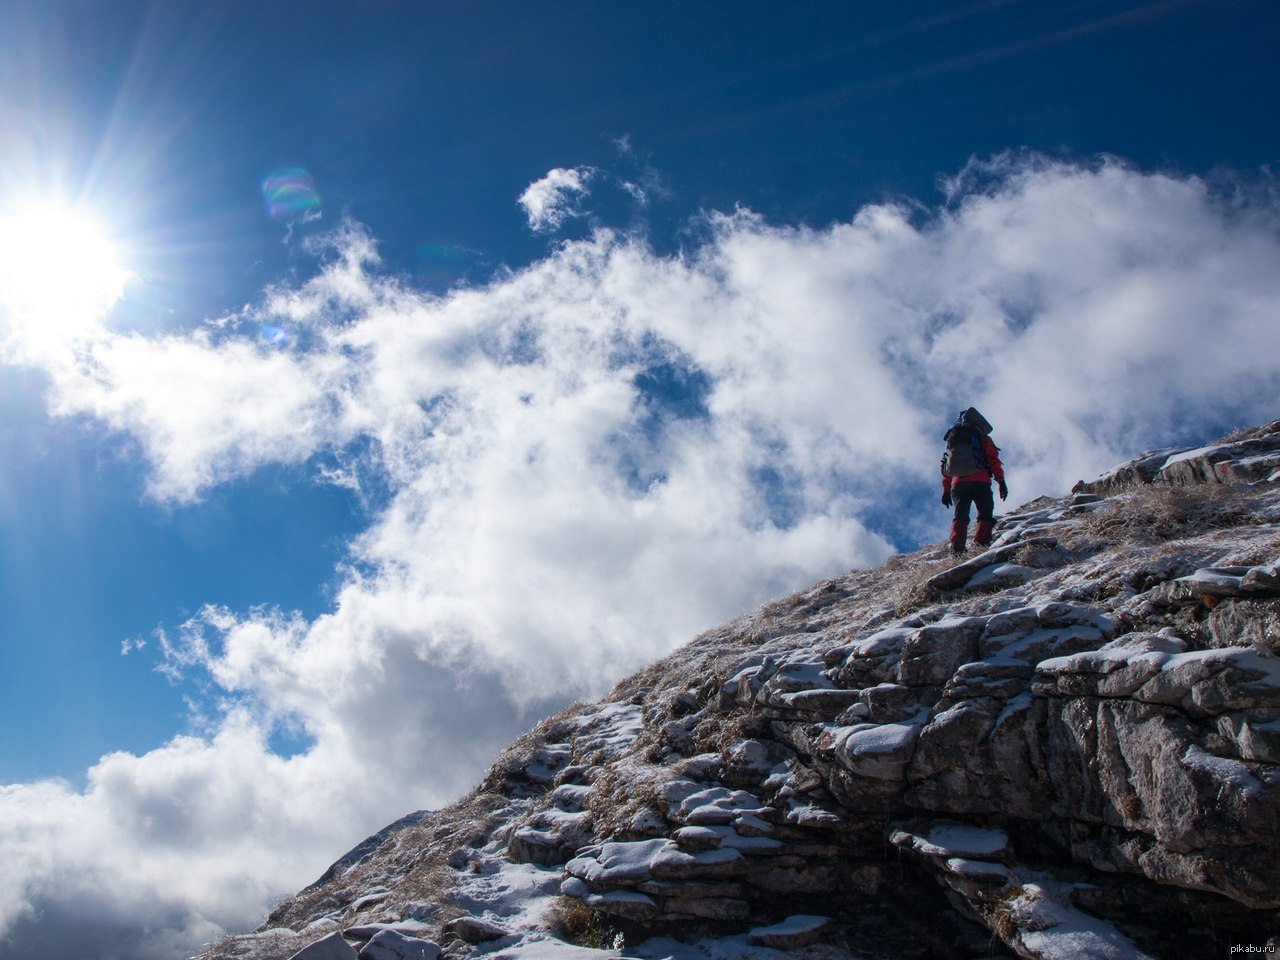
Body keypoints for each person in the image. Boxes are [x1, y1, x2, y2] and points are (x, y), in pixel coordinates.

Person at [940, 407, 1007, 555]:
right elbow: (993, 459)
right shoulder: (981, 437)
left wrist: (945, 491)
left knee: (960, 515)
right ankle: (981, 545)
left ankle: (957, 547)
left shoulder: (953, 440)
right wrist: (1001, 482)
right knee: (985, 512)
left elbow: (946, 466)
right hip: (980, 479)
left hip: (957, 484)